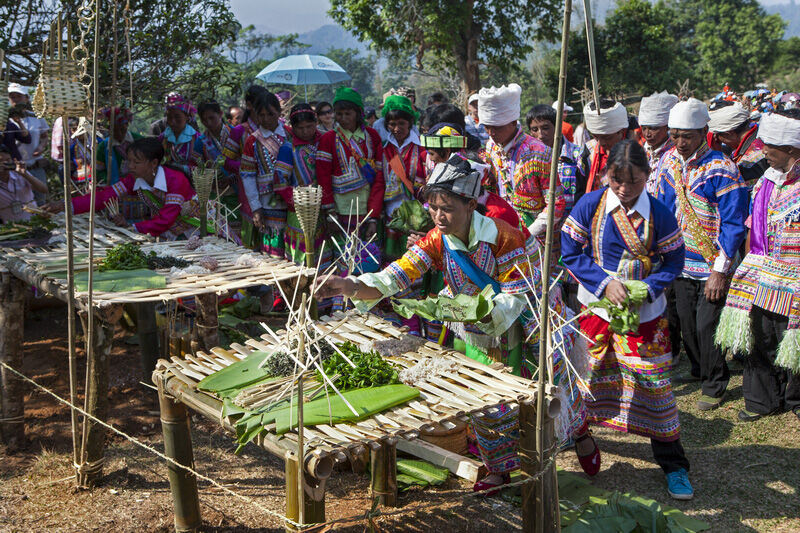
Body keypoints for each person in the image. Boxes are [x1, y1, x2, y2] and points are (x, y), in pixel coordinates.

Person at [314, 156, 594, 491]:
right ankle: (499, 467)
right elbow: (397, 275)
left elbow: (517, 293)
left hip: (526, 317)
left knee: (548, 385)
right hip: (479, 322)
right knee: (484, 392)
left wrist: (480, 312)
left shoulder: (503, 236)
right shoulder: (436, 239)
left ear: (471, 205)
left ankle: (578, 430)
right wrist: (349, 285)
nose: (438, 216)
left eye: (446, 208)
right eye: (432, 207)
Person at [561, 140, 692, 500]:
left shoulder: (660, 213)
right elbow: (570, 251)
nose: (624, 188)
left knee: (655, 387)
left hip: (645, 315)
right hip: (598, 310)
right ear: (606, 175)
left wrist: (648, 289)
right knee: (583, 377)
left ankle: (674, 465)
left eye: (633, 181)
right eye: (616, 180)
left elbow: (675, 261)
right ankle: (582, 439)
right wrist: (605, 283)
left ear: (647, 176)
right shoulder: (591, 205)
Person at [655, 98, 749, 410]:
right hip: (681, 260)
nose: (680, 142)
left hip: (712, 262)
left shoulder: (722, 169)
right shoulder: (669, 162)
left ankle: (715, 383)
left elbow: (734, 223)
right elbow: (664, 209)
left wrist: (720, 270)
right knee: (684, 318)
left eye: (688, 136)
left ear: (704, 132)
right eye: (675, 135)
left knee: (707, 323)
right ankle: (698, 369)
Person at [715, 109, 800, 422]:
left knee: (791, 336)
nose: (764, 152)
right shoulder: (765, 180)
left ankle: (794, 397)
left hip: (795, 275)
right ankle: (762, 400)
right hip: (761, 269)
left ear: (791, 150)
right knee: (759, 334)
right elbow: (754, 225)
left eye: (771, 148)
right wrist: (750, 266)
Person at [44, 137, 201, 239]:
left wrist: (132, 227)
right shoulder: (134, 179)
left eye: (136, 162)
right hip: (170, 230)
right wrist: (66, 205)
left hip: (196, 229)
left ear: (153, 163)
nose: (130, 166)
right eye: (129, 161)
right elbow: (104, 197)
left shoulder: (176, 180)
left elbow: (165, 220)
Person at [480, 84, 563, 252]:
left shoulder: (541, 153)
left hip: (537, 240)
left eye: (496, 127)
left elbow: (556, 204)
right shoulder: (490, 148)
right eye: (487, 126)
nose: (491, 132)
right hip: (500, 236)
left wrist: (526, 234)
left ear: (512, 122)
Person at [316, 87, 385, 272]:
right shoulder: (329, 139)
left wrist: (373, 216)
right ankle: (343, 300)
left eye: (348, 113)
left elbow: (379, 178)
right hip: (340, 213)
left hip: (368, 209)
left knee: (368, 260)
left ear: (358, 114)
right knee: (344, 260)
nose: (343, 118)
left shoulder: (372, 137)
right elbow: (323, 176)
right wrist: (330, 211)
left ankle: (368, 298)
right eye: (339, 113)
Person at [275, 103, 332, 273]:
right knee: (302, 258)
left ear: (316, 123)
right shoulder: (288, 148)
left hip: (324, 209)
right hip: (299, 211)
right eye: (300, 128)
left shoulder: (325, 140)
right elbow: (279, 181)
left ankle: (323, 294)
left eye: (310, 126)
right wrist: (300, 200)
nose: (306, 131)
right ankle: (302, 294)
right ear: (292, 127)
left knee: (323, 254)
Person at [239, 91, 292, 257]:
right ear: (255, 115)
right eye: (261, 115)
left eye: (271, 114)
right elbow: (248, 176)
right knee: (273, 248)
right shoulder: (252, 141)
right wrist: (256, 208)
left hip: (292, 199)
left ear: (279, 113)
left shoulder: (290, 134)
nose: (266, 119)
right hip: (268, 203)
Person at [381, 94, 427, 259]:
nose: (397, 128)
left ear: (410, 123)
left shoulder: (422, 150)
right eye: (392, 124)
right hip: (390, 213)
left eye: (401, 123)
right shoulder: (384, 151)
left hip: (416, 215)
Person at [578, 99, 629, 204]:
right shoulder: (589, 151)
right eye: (596, 137)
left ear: (621, 131)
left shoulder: (634, 154)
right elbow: (580, 190)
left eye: (607, 137)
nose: (601, 143)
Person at [708, 101, 768, 188]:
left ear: (729, 134)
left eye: (718, 136)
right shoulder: (760, 136)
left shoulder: (748, 162)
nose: (718, 140)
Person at [8, 84, 49, 204]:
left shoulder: (37, 117)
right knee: (20, 204)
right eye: (12, 97)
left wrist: (41, 147)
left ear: (26, 98)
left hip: (34, 166)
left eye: (18, 96)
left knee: (41, 201)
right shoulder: (5, 119)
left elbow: (44, 137)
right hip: (14, 169)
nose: (15, 100)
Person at [638, 91, 679, 194]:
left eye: (653, 128)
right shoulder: (642, 152)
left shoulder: (677, 154)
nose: (647, 134)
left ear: (667, 127)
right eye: (644, 128)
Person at [159, 92, 204, 179]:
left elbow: (202, 168)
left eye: (177, 117)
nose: (172, 122)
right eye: (169, 117)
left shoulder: (197, 139)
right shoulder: (162, 138)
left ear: (187, 116)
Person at [0, 145, 47, 222]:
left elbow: (43, 189)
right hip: (10, 228)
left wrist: (25, 175)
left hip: (33, 221)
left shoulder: (19, 174)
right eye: (1, 161)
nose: (5, 163)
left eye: (8, 160)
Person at [96, 107, 142, 186]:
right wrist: (110, 179)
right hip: (115, 187)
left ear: (127, 125)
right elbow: (98, 171)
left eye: (122, 129)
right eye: (115, 131)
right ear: (109, 129)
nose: (119, 134)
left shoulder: (139, 140)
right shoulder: (103, 147)